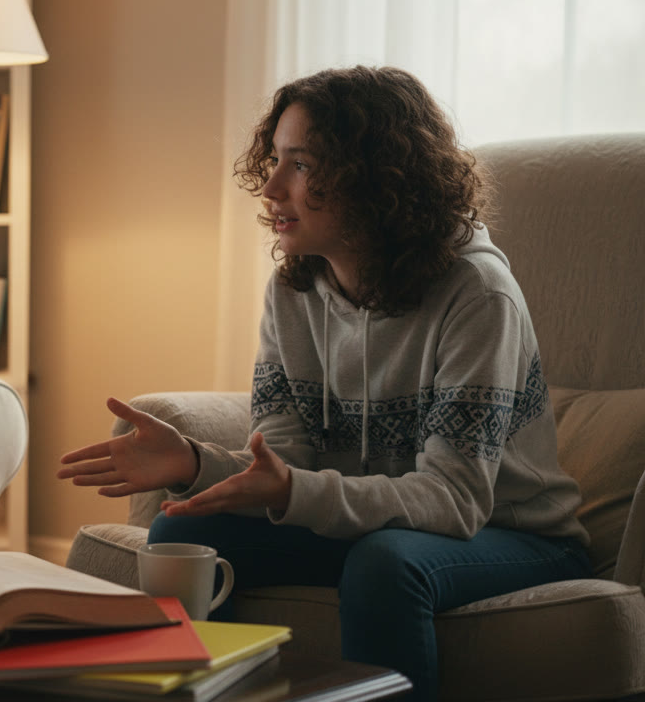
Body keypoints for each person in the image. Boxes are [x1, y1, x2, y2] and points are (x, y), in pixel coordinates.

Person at [57, 66, 591, 701]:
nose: (272, 186)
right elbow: (287, 465)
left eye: (301, 165)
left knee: (387, 562)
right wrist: (195, 463)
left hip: (510, 535)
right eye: (274, 159)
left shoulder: (477, 295)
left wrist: (293, 491)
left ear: (375, 180)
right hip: (379, 530)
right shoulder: (294, 290)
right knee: (182, 533)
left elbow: (454, 501)